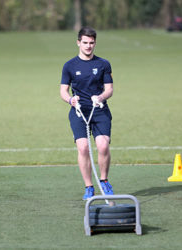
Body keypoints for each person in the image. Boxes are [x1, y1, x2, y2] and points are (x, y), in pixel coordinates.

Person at [60, 27, 114, 200]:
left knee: (103, 145)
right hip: (78, 112)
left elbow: (109, 89)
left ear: (95, 43)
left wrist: (100, 97)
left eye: (91, 43)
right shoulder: (69, 66)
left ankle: (104, 181)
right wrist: (70, 100)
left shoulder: (103, 64)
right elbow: (63, 91)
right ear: (78, 43)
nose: (88, 46)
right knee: (83, 148)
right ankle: (89, 187)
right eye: (85, 43)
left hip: (99, 111)